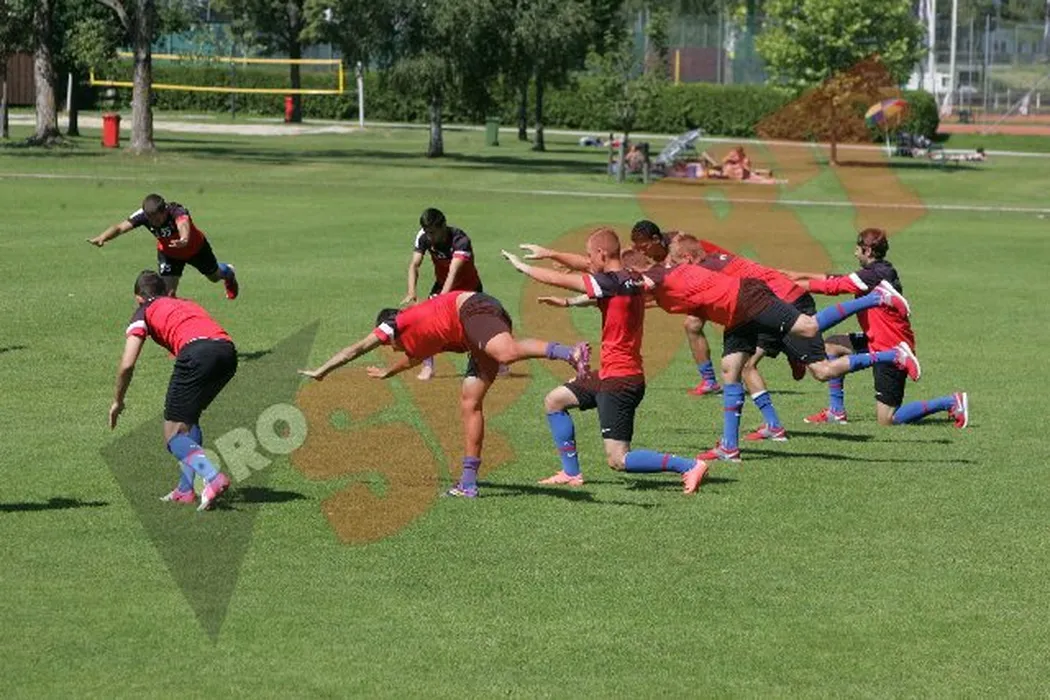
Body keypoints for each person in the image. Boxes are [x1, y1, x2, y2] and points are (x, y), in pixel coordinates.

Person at [509, 233, 921, 462]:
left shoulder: (652, 277)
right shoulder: (646, 282)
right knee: (732, 371)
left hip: (749, 300)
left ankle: (876, 300)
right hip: (735, 313)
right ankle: (729, 446)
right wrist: (564, 284)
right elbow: (602, 277)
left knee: (811, 328)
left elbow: (601, 274)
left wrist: (538, 266)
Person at [298, 292, 590, 498]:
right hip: (477, 329)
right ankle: (468, 484)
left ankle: (570, 353)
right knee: (470, 401)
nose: (390, 349)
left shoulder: (396, 323)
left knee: (505, 353)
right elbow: (412, 359)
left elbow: (357, 348)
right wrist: (388, 373)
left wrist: (323, 370)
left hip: (473, 309)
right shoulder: (421, 339)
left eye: (388, 345)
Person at [506, 231, 709, 493]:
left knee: (618, 459)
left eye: (590, 255)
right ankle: (571, 473)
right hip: (609, 375)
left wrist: (522, 267)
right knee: (555, 401)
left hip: (621, 382)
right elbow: (584, 267)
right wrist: (549, 254)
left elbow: (561, 279)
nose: (588, 260)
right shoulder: (631, 277)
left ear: (602, 254)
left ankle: (690, 465)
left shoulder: (610, 282)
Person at [783, 228, 969, 429]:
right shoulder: (877, 271)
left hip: (892, 348)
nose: (855, 253)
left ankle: (951, 402)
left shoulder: (874, 275)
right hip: (876, 338)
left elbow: (832, 287)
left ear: (868, 251)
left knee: (887, 419)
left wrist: (791, 285)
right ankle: (836, 412)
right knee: (832, 345)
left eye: (858, 249)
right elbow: (835, 279)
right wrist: (795, 275)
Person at [109, 270, 236, 511]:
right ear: (166, 292)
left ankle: (213, 477)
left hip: (196, 354)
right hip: (227, 353)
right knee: (188, 419)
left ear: (138, 298)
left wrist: (118, 401)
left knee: (173, 435)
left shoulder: (143, 310)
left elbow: (127, 364)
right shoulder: (185, 303)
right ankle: (185, 490)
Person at [88, 194, 239, 299]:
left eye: (158, 219)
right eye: (151, 220)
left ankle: (229, 272)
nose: (155, 223)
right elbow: (120, 227)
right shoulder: (144, 215)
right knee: (168, 294)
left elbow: (183, 224)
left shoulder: (176, 210)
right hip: (169, 254)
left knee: (214, 277)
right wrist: (103, 237)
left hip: (196, 249)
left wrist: (184, 239)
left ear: (164, 211)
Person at [402, 208, 485, 381]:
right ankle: (428, 366)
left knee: (476, 329)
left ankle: (497, 361)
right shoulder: (423, 236)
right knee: (424, 322)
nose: (429, 237)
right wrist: (411, 291)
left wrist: (442, 300)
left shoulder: (460, 240)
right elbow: (414, 264)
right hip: (442, 285)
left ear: (443, 226)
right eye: (427, 232)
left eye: (433, 232)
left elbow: (453, 272)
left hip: (468, 289)